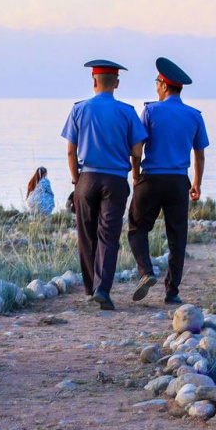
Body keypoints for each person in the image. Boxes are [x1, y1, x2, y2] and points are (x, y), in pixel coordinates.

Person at [61, 60, 147, 310]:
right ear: (116, 83)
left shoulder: (79, 109)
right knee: (108, 236)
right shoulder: (127, 112)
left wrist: (76, 180)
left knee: (86, 236)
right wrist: (135, 173)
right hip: (115, 180)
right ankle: (103, 289)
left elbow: (70, 151)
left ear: (94, 82)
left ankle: (90, 289)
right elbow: (137, 150)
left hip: (86, 178)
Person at [128, 57, 210, 305]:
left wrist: (135, 174)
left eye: (156, 82)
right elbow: (199, 154)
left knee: (137, 229)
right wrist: (197, 183)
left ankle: (146, 271)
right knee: (177, 237)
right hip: (178, 182)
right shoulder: (194, 116)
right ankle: (172, 291)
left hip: (151, 179)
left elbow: (137, 148)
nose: (155, 87)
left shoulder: (150, 111)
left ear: (164, 85)